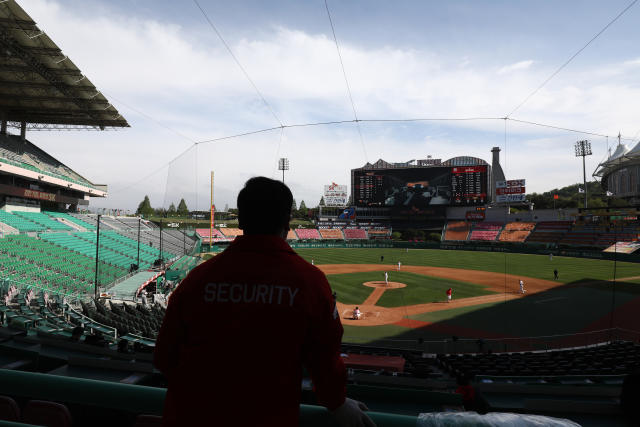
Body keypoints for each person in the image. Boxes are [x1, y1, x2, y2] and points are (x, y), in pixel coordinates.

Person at [154, 177, 374, 427]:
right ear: (287, 221)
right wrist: (337, 403)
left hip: (190, 416)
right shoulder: (310, 282)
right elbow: (325, 361)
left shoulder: (197, 279)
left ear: (241, 220)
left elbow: (163, 358)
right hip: (269, 417)